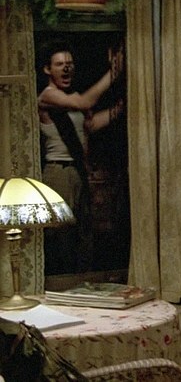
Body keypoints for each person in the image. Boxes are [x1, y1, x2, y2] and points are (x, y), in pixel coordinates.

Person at [37, 39, 125, 274]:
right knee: (61, 234)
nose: (67, 68)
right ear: (47, 69)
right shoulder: (48, 96)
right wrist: (114, 72)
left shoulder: (72, 98)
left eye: (70, 63)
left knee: (83, 232)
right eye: (59, 64)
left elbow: (92, 125)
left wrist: (125, 104)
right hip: (59, 171)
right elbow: (84, 102)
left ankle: (79, 281)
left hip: (77, 171)